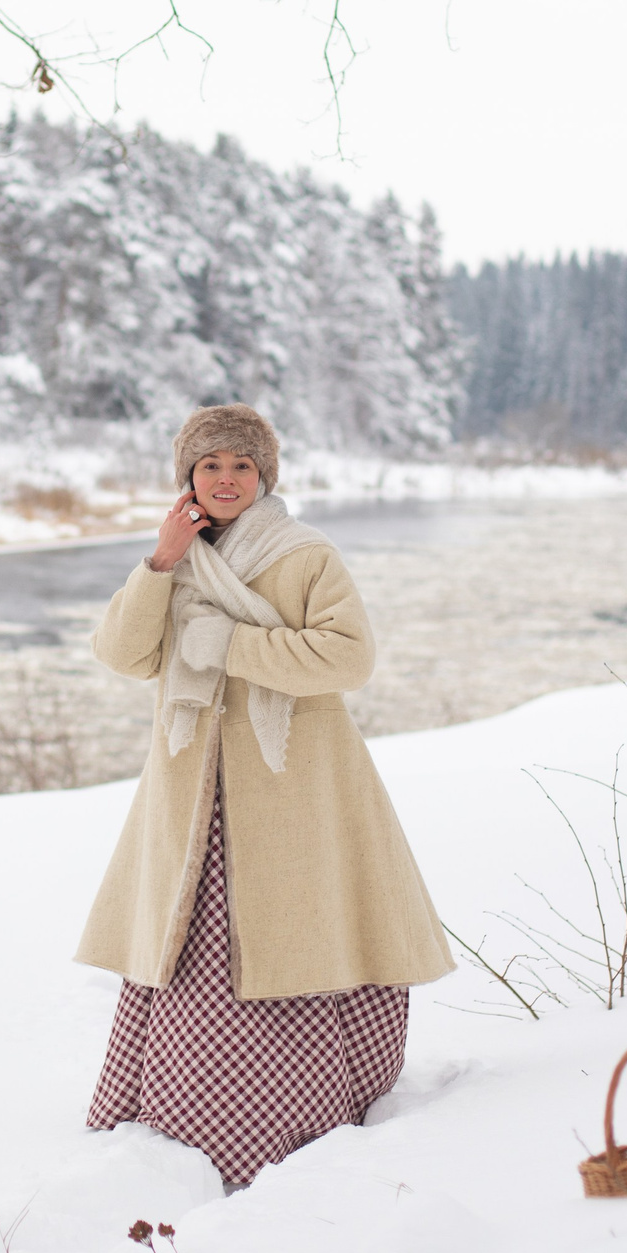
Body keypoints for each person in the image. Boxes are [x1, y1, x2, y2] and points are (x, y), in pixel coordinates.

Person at [78, 403, 455, 1190]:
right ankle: (184, 1116)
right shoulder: (176, 559)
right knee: (195, 945)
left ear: (264, 476)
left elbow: (349, 658)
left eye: (241, 466)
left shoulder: (304, 554)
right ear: (189, 476)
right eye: (210, 465)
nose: (225, 478)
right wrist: (158, 559)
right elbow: (124, 653)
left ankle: (299, 1111)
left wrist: (235, 645)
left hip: (295, 792)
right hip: (192, 796)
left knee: (293, 934)